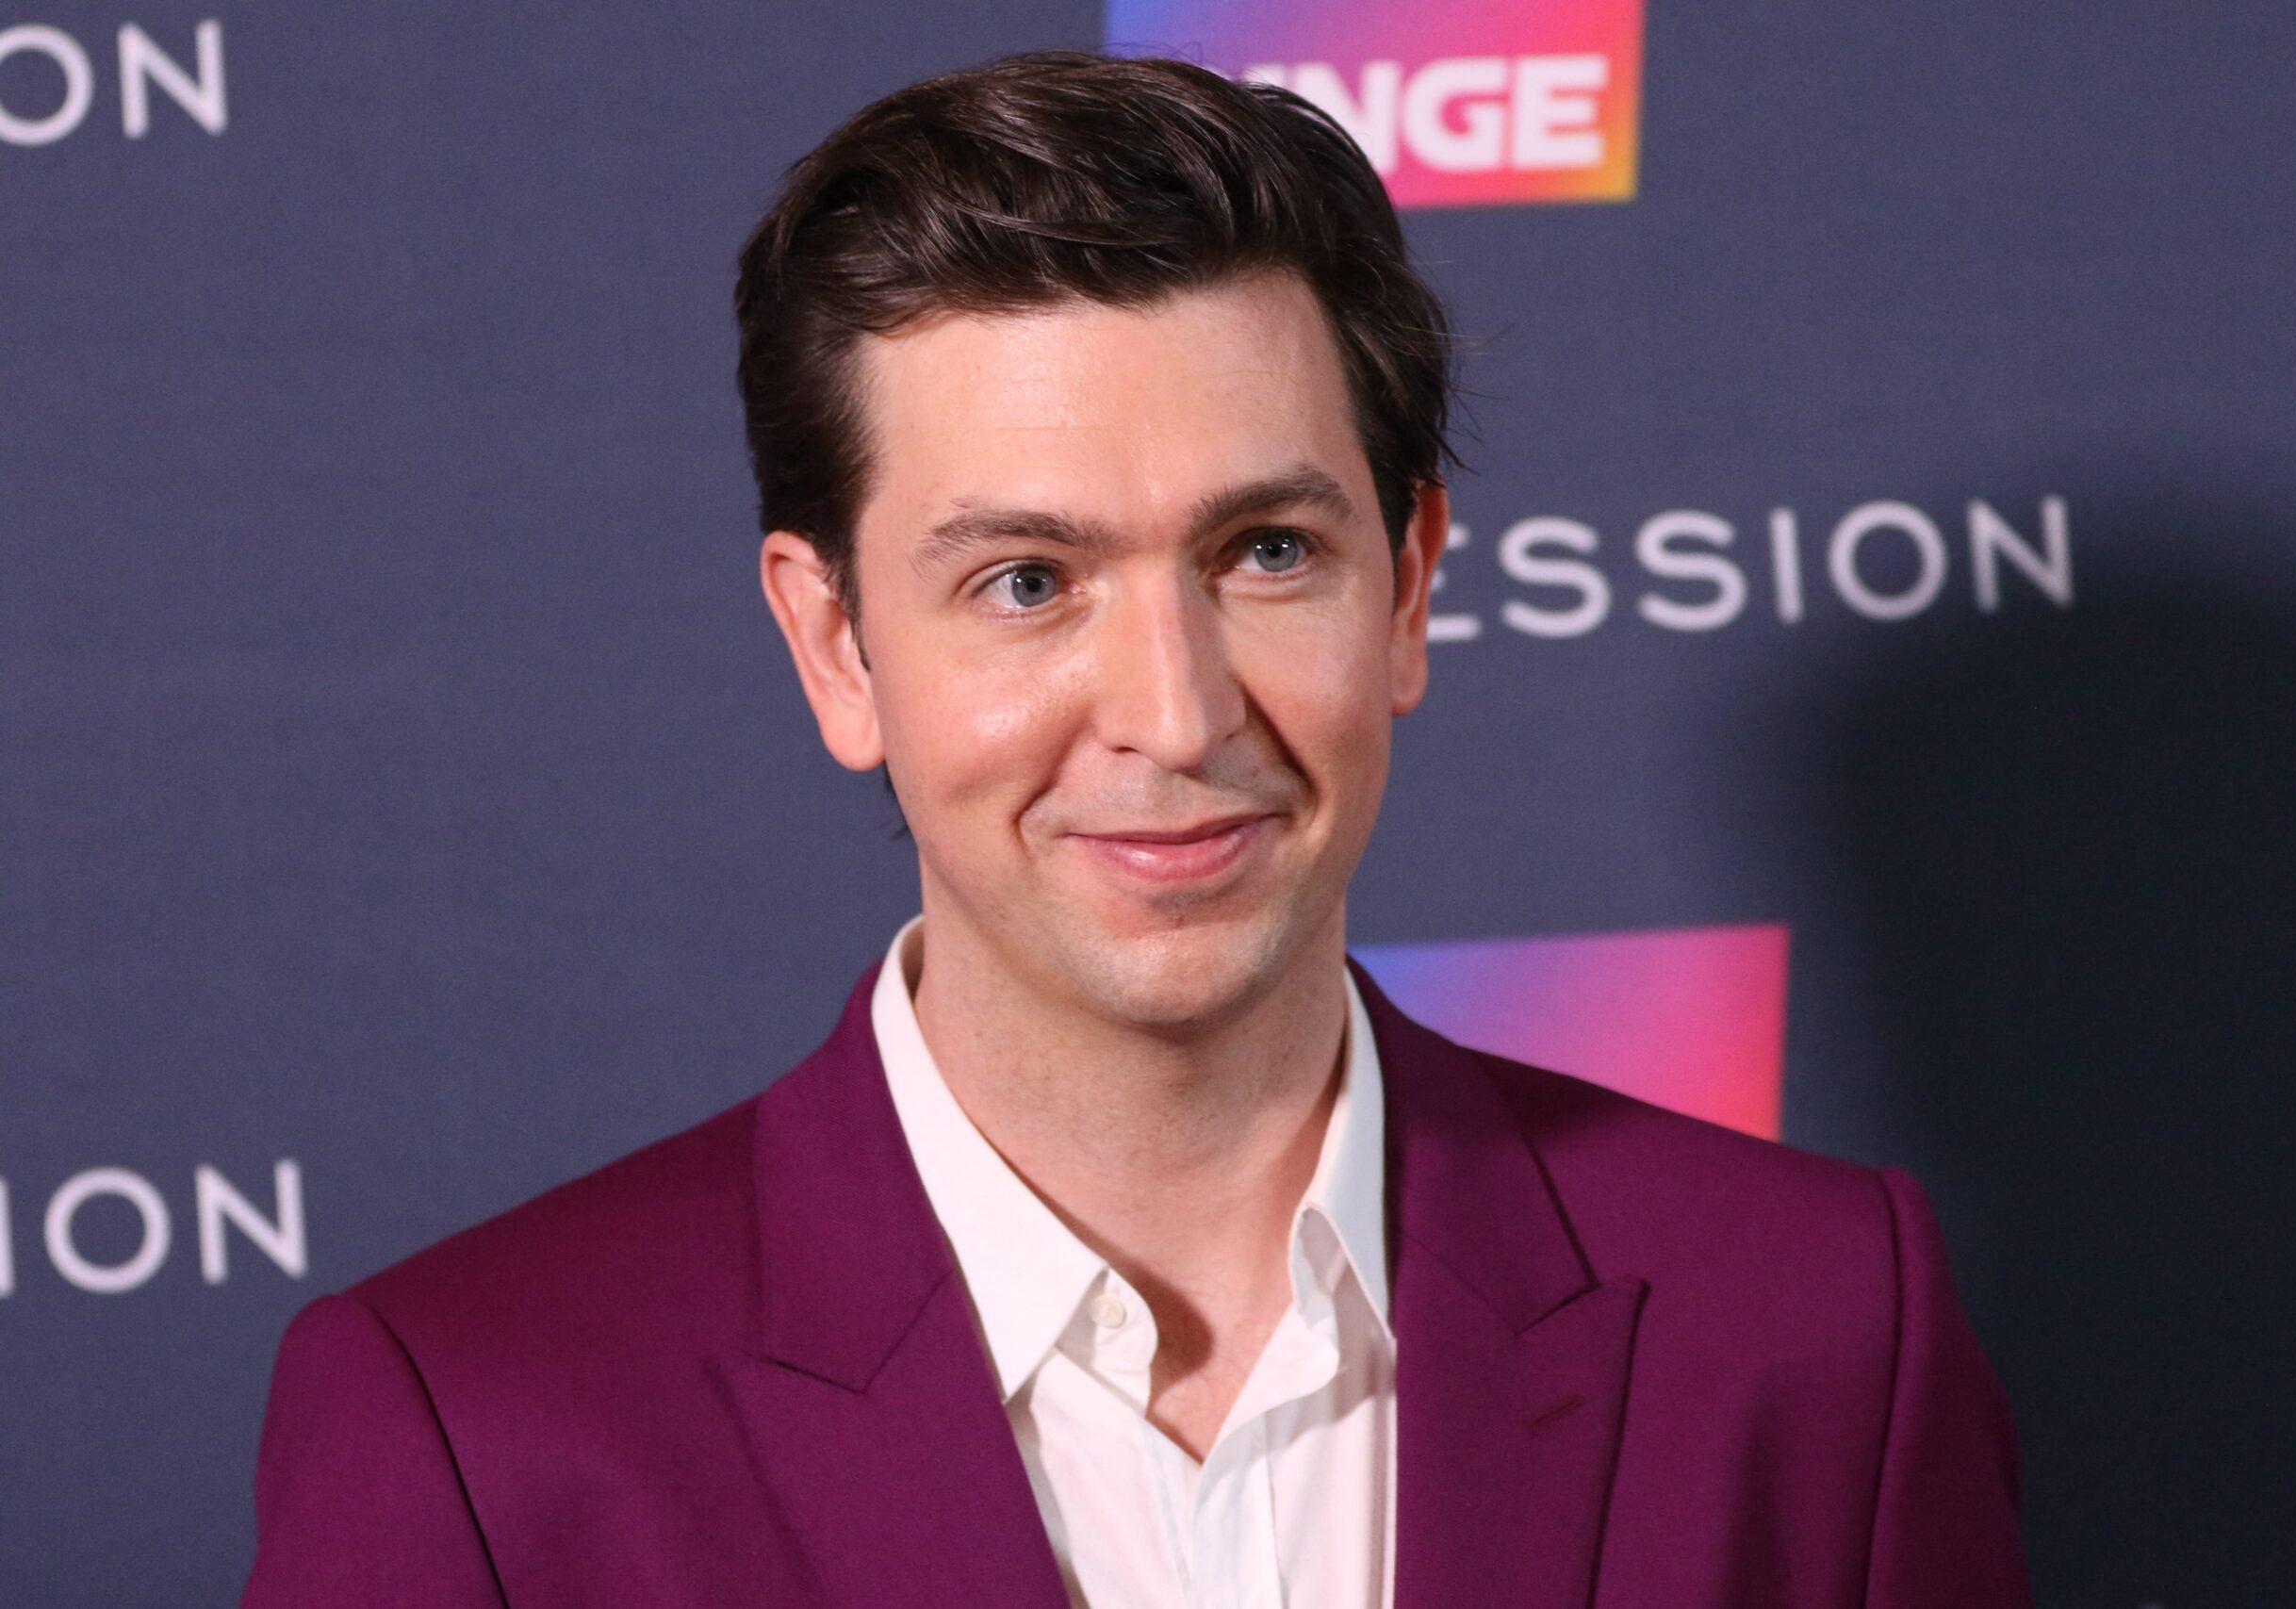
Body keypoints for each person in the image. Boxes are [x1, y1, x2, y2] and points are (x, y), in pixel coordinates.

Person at [239, 49, 2030, 1608]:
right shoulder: (481, 1429)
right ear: (834, 643)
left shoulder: (1814, 1324)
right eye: (1028, 582)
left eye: (1266, 554)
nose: (1175, 715)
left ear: (1405, 589)